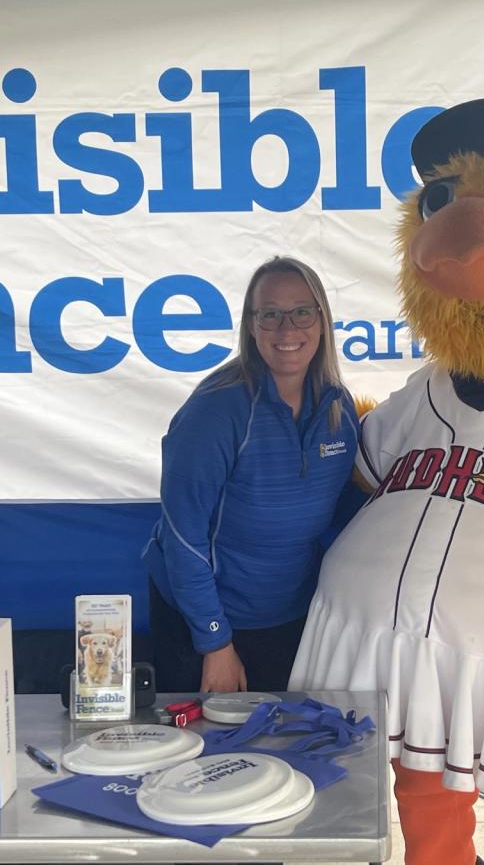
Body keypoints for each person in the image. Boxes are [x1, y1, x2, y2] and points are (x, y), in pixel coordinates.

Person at [143, 256, 359, 694]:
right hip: (204, 620)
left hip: (288, 615)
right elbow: (183, 537)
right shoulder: (216, 410)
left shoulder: (338, 407)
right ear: (251, 324)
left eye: (302, 312)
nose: (287, 329)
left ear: (322, 321)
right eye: (270, 314)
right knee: (207, 737)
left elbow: (347, 517)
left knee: (284, 733)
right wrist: (214, 641)